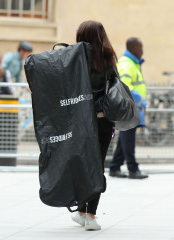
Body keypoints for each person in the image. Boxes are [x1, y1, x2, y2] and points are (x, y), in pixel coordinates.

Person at [71, 20, 117, 230]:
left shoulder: (74, 57)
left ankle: (81, 212)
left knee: (82, 165)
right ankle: (90, 215)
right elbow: (114, 87)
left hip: (80, 121)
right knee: (97, 166)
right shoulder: (108, 58)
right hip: (102, 120)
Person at [109, 37, 148, 179]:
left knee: (124, 139)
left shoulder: (132, 63)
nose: (142, 50)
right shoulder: (127, 63)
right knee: (128, 138)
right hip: (128, 107)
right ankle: (133, 169)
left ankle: (114, 167)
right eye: (140, 47)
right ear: (133, 48)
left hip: (131, 107)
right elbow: (125, 86)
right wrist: (138, 99)